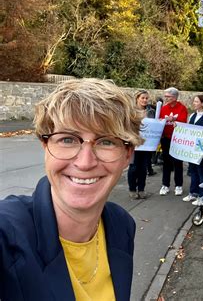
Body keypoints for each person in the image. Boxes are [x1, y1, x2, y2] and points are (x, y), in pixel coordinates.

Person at [0, 78, 141, 300]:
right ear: (45, 146)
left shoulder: (121, 225)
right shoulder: (6, 232)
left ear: (127, 155)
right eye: (67, 139)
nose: (85, 162)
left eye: (106, 142)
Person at [159, 87, 188, 196]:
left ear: (175, 97)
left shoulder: (182, 108)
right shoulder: (163, 108)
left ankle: (178, 185)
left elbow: (184, 122)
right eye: (165, 96)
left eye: (168, 96)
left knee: (177, 163)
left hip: (177, 140)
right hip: (165, 139)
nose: (166, 98)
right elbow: (159, 121)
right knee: (166, 163)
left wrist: (174, 120)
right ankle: (165, 185)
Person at [128, 90, 155, 199]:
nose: (145, 100)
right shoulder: (131, 111)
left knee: (143, 168)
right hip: (134, 144)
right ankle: (132, 189)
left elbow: (155, 125)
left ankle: (142, 189)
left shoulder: (151, 112)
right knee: (133, 167)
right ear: (137, 98)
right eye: (142, 98)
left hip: (147, 144)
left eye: (146, 98)